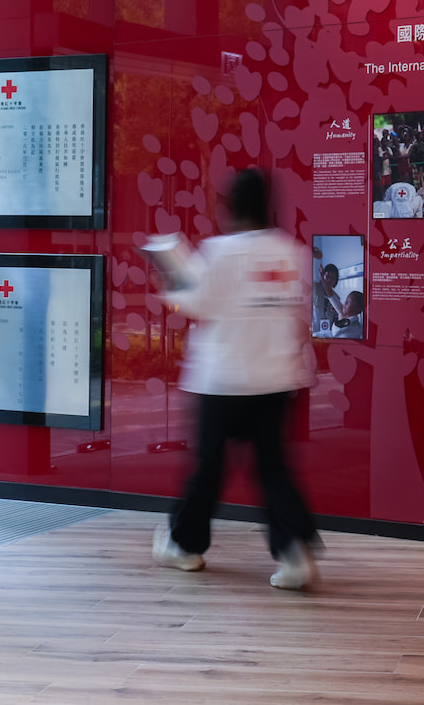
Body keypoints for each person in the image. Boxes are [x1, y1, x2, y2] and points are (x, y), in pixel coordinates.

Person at [153, 168, 322, 590]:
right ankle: (294, 553)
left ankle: (184, 546)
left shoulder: (219, 252)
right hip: (277, 378)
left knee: (207, 469)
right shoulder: (291, 252)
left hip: (223, 380)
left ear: (229, 206)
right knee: (273, 470)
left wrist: (170, 278)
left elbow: (195, 303)